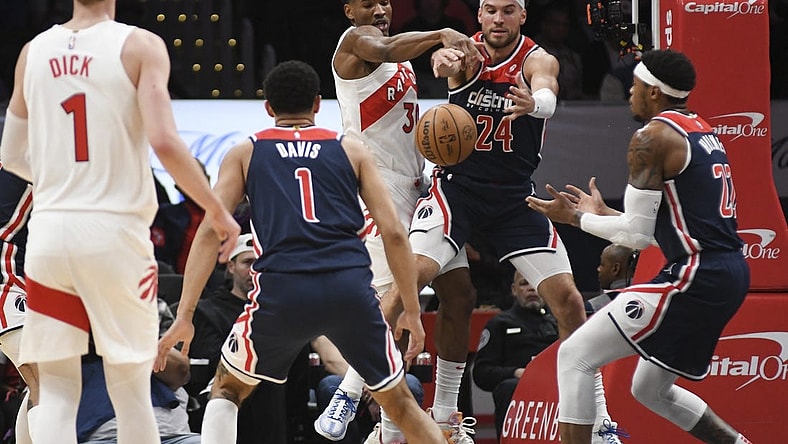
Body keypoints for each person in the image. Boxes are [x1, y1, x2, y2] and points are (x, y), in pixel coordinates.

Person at [155, 60, 448, 444]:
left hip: (281, 292)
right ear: (316, 103)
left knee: (226, 391)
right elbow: (394, 233)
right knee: (400, 404)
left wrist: (186, 314)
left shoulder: (246, 152)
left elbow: (211, 231)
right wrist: (411, 309)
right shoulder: (350, 149)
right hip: (349, 290)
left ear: (268, 108)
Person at [0, 1, 241, 442]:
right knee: (130, 388)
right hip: (115, 236)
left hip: (51, 237)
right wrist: (217, 209)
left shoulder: (33, 52)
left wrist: (64, 177)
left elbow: (11, 155)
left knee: (54, 391)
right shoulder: (140, 44)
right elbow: (165, 141)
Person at [389, 0, 623, 442]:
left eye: (509, 10)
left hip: (513, 198)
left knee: (570, 302)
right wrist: (442, 60)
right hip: (458, 190)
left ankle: (601, 421)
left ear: (522, 17)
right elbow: (445, 60)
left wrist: (535, 103)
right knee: (411, 280)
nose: (499, 19)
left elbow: (548, 93)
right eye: (491, 10)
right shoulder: (467, 52)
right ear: (478, 16)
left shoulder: (538, 59)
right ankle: (379, 400)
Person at [526, 49, 753, 444]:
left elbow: (636, 237)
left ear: (652, 92)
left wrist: (576, 218)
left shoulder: (651, 137)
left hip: (696, 273)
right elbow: (651, 224)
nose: (629, 93)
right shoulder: (700, 129)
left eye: (634, 86)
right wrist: (605, 213)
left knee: (574, 354)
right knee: (650, 389)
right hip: (727, 272)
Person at [319, 1, 483, 443]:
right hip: (378, 186)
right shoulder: (355, 43)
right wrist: (440, 34)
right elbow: (388, 47)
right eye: (367, 2)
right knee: (391, 305)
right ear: (348, 9)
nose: (379, 8)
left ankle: (445, 413)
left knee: (459, 292)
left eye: (385, 1)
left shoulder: (397, 55)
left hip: (419, 182)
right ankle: (350, 395)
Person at [77, 298, 199, 444]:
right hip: (102, 436)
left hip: (169, 433)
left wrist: (120, 334)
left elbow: (181, 371)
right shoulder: (60, 313)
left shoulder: (147, 304)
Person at [472, 271, 559, 440]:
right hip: (518, 388)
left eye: (536, 284)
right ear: (514, 290)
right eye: (524, 283)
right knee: (509, 386)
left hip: (556, 384)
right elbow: (481, 373)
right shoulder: (500, 324)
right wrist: (516, 372)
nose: (531, 289)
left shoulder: (559, 321)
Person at [312, 335, 424, 443]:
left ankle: (395, 437)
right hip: (345, 375)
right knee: (329, 385)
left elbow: (404, 357)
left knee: (411, 384)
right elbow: (332, 360)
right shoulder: (333, 317)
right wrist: (367, 383)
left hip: (386, 376)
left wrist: (378, 384)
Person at [0, 166, 35, 444]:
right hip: (6, 285)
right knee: (49, 385)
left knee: (40, 386)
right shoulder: (21, 166)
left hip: (17, 283)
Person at [585, 244, 637, 315]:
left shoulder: (593, 307)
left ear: (615, 269)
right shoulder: (648, 300)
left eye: (602, 264)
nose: (599, 269)